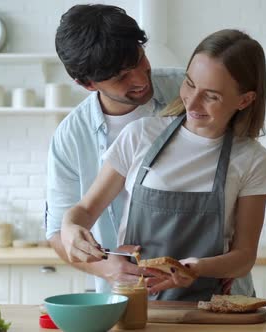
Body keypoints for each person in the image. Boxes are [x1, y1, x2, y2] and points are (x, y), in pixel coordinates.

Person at [61, 29, 266, 301]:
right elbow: (85, 209)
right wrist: (71, 229)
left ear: (244, 100)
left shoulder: (252, 160)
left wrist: (198, 268)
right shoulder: (139, 135)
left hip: (214, 310)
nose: (192, 101)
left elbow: (244, 257)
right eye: (189, 84)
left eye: (211, 96)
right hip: (138, 304)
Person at [45, 4, 184, 294]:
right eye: (121, 77)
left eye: (140, 59)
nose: (140, 79)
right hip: (127, 297)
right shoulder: (70, 136)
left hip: (209, 287)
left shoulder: (188, 91)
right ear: (86, 83)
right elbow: (59, 232)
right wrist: (105, 268)